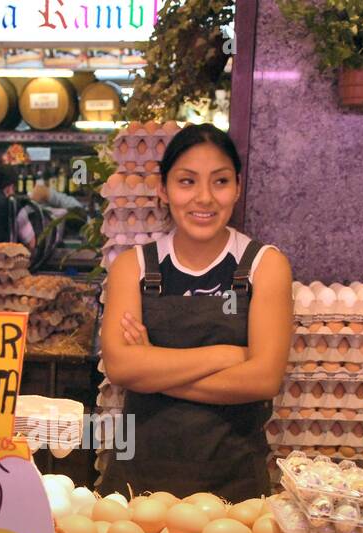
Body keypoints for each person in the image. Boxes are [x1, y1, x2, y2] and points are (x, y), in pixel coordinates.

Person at [98, 124, 294, 501]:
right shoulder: (134, 267)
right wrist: (227, 356)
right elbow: (121, 368)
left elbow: (263, 380)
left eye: (219, 182)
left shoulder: (263, 265)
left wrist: (152, 368)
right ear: (163, 188)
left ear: (237, 186)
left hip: (233, 483)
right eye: (187, 182)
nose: (204, 198)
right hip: (137, 479)